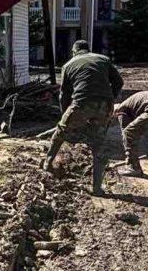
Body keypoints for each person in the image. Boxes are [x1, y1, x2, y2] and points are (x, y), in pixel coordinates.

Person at [42, 40, 124, 196]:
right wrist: (109, 100)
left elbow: (64, 95)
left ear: (74, 51)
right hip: (104, 106)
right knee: (98, 145)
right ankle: (97, 188)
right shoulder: (103, 59)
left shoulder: (68, 65)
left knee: (59, 134)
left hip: (81, 103)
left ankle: (47, 164)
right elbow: (119, 82)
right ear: (87, 50)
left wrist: (65, 116)